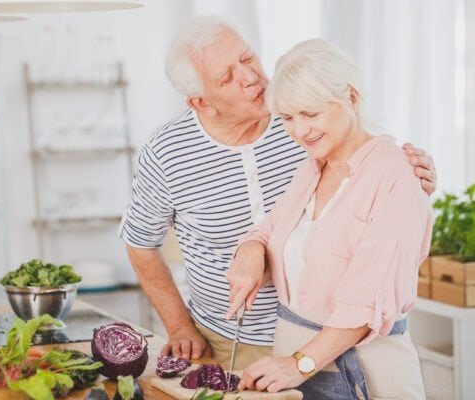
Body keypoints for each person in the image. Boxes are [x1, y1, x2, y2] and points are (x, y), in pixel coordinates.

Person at [120, 16, 437, 369]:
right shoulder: (167, 152)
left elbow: (366, 165)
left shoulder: (303, 118)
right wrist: (179, 327)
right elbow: (140, 241)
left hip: (331, 335)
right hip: (228, 341)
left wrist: (411, 174)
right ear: (202, 103)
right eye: (227, 78)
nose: (251, 77)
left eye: (247, 58)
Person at [228, 38, 432, 399]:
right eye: (288, 118)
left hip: (367, 375)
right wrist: (251, 247)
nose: (299, 131)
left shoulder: (397, 175)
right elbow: (272, 227)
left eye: (311, 113)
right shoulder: (311, 168)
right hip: (294, 372)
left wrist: (299, 364)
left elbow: (368, 299)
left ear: (351, 98)